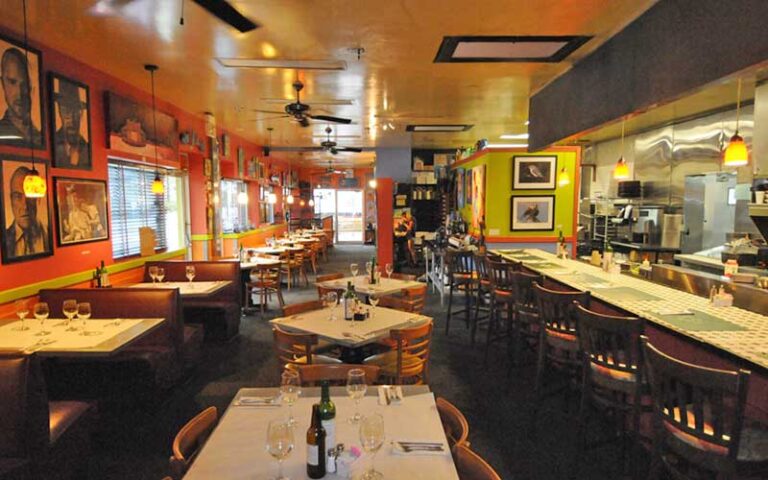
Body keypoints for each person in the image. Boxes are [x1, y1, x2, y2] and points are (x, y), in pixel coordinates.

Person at [4, 166, 48, 258]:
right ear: (11, 200)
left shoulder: (48, 233)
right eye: (18, 197)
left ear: (38, 199)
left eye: (30, 197)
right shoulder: (6, 237)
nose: (25, 206)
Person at [0, 48, 41, 146]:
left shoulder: (39, 137)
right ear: (3, 84)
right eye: (12, 82)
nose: (19, 93)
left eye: (25, 84)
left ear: (31, 87)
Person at [53, 80, 90, 167]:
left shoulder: (87, 148)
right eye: (66, 111)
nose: (71, 119)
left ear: (81, 114)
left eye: (75, 112)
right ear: (59, 111)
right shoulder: (54, 144)